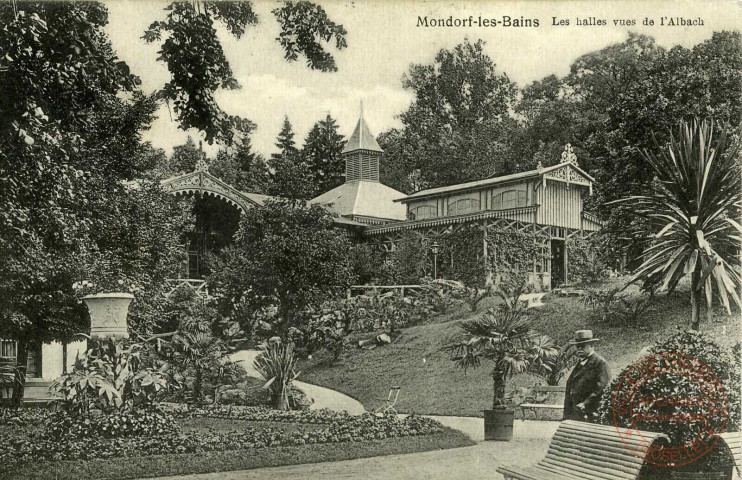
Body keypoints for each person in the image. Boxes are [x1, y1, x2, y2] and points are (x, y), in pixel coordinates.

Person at [564, 330, 611, 422]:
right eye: (578, 346)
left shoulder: (600, 363)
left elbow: (602, 387)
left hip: (589, 411)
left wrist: (586, 403)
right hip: (575, 411)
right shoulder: (580, 363)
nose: (579, 349)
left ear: (592, 345)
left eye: (583, 346)